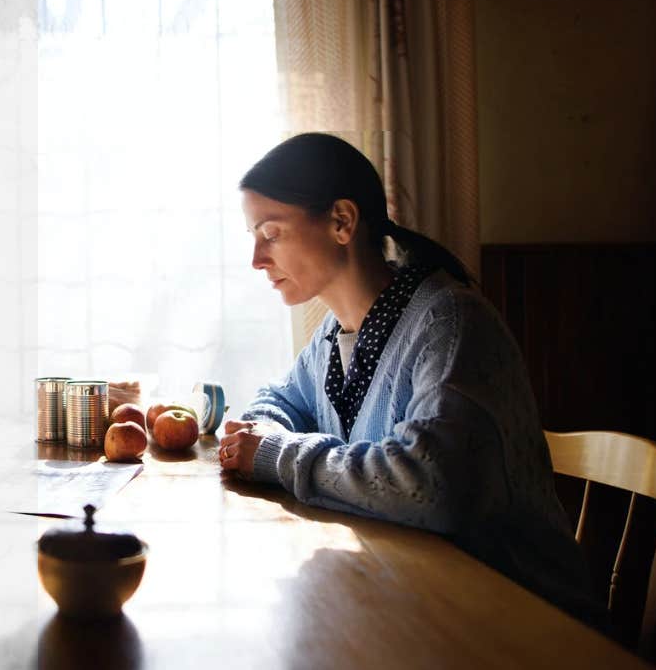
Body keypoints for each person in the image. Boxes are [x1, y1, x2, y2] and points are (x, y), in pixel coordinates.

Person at [217, 132, 603, 627]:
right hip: (422, 601)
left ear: (341, 221)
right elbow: (279, 399)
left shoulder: (449, 322)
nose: (257, 259)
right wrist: (262, 431)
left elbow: (432, 485)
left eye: (270, 233)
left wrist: (274, 453)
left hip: (525, 621)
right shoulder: (336, 333)